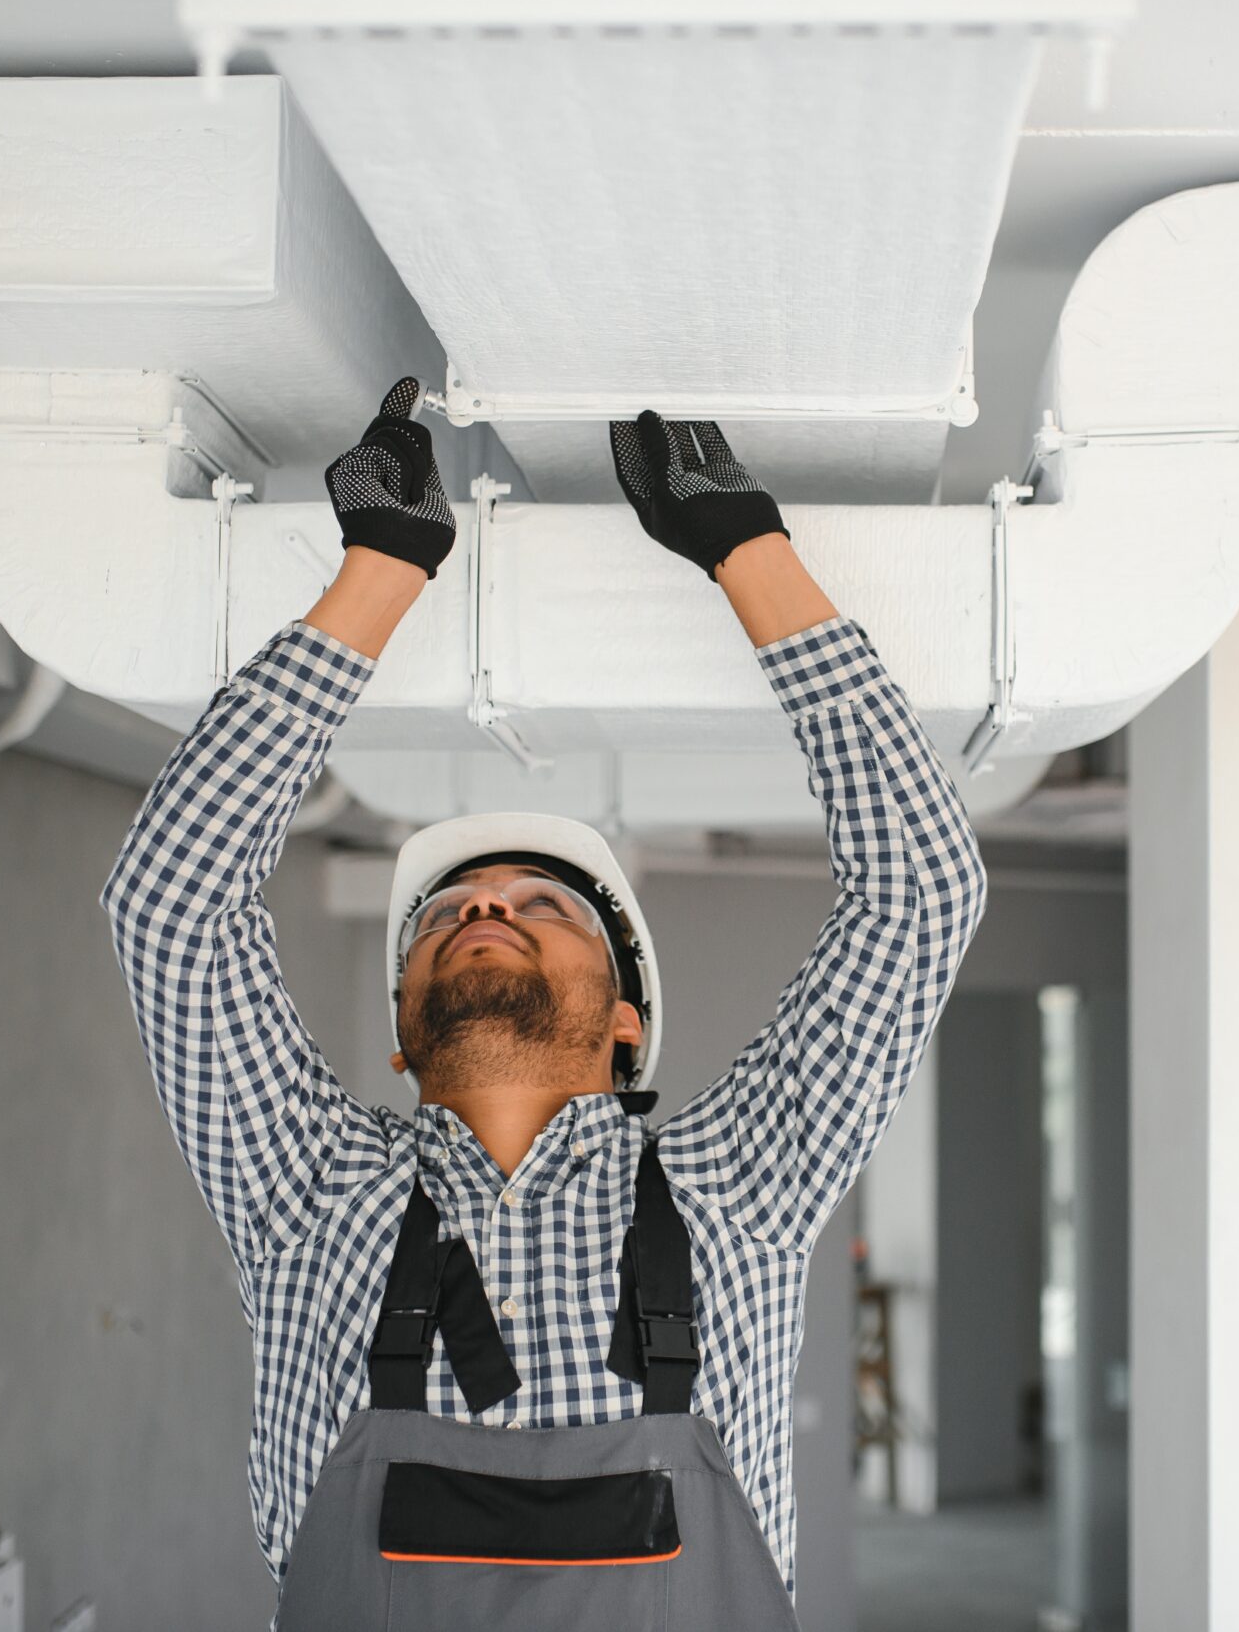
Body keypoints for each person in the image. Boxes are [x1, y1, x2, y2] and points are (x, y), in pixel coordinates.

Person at [102, 377, 988, 1626]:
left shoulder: (742, 1182)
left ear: (626, 1023)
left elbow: (924, 895)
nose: (482, 908)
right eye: (449, 912)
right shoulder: (303, 1186)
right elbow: (169, 906)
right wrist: (382, 570)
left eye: (542, 904)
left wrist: (746, 547)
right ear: (402, 1033)